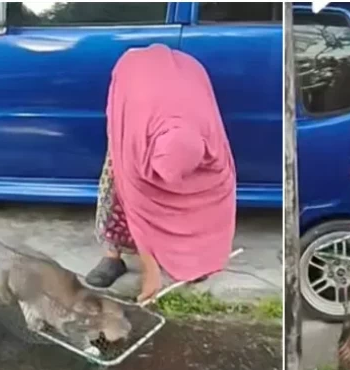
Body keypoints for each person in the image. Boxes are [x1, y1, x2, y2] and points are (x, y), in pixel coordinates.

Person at [84, 44, 237, 302]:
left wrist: (208, 255)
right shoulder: (135, 141)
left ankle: (189, 258)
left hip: (186, 81)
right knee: (118, 186)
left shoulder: (213, 148)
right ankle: (113, 256)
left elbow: (220, 202)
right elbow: (139, 207)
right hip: (135, 84)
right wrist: (150, 274)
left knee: (194, 200)